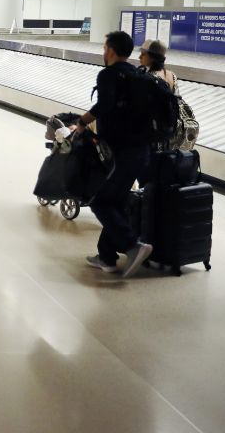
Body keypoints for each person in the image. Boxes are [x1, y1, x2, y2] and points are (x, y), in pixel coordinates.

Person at [74, 31, 154, 278]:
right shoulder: (136, 75)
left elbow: (105, 105)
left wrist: (82, 122)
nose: (103, 52)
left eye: (105, 47)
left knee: (100, 201)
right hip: (141, 151)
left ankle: (133, 246)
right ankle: (106, 257)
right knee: (116, 201)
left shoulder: (108, 74)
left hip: (121, 152)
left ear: (110, 50)